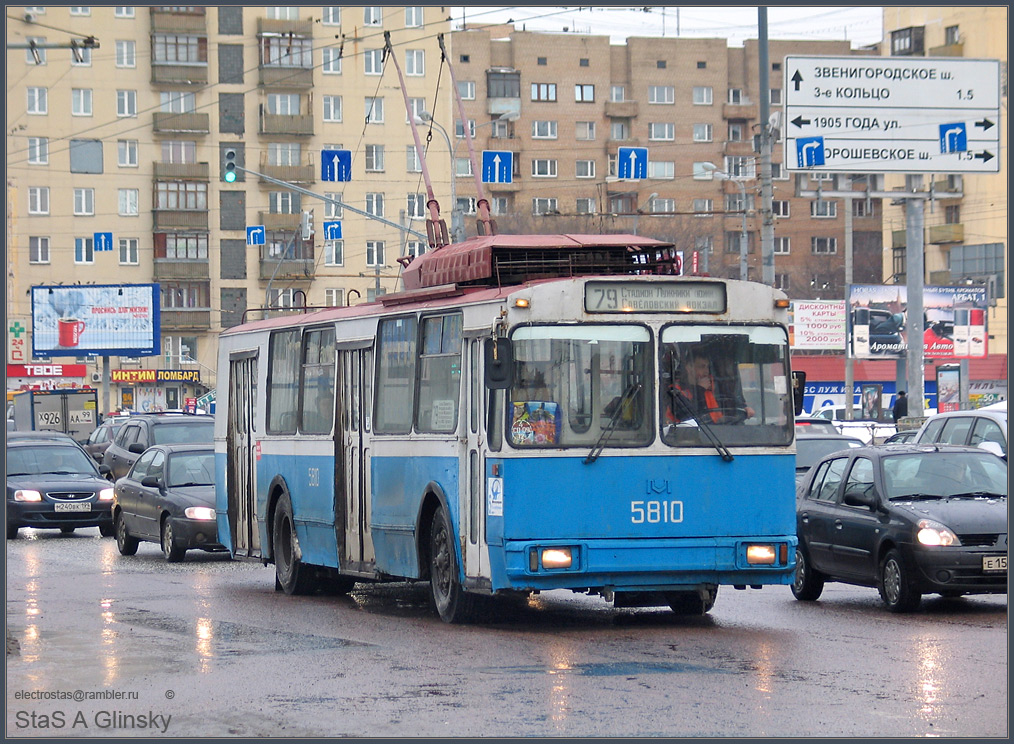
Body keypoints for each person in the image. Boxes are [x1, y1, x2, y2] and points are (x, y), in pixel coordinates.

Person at [666, 352, 754, 425]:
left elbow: (726, 404)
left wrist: (742, 408)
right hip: (686, 439)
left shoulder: (713, 386)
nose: (706, 371)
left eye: (707, 367)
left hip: (716, 434)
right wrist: (699, 389)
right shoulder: (675, 392)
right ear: (689, 368)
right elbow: (690, 418)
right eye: (702, 367)